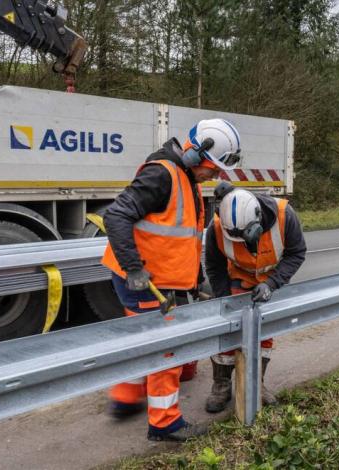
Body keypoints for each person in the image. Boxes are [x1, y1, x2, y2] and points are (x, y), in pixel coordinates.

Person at [100, 118, 242, 441]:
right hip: (145, 279)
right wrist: (134, 268)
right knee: (165, 351)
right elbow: (117, 215)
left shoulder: (185, 177)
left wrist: (195, 279)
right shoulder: (162, 174)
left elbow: (183, 237)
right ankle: (165, 422)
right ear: (197, 153)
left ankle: (126, 397)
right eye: (215, 168)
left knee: (141, 338)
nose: (216, 175)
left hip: (157, 277)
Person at [203, 183, 307, 413]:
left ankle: (255, 383)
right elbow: (214, 265)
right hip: (236, 280)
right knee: (226, 334)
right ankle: (221, 385)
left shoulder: (284, 216)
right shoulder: (218, 226)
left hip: (270, 281)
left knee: (264, 336)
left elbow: (297, 253)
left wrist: (272, 283)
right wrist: (224, 299)